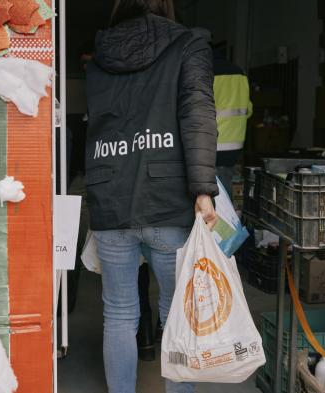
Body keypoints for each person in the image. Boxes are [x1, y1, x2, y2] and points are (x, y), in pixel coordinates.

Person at [85, 0, 219, 392]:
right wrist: (203, 190)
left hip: (110, 193)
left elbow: (99, 127)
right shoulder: (188, 44)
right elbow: (197, 113)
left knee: (119, 315)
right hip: (167, 198)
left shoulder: (99, 58)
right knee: (178, 313)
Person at [214, 50, 252, 198]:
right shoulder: (240, 74)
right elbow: (248, 110)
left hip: (210, 143)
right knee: (224, 183)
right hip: (234, 144)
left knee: (212, 190)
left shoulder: (205, 72)